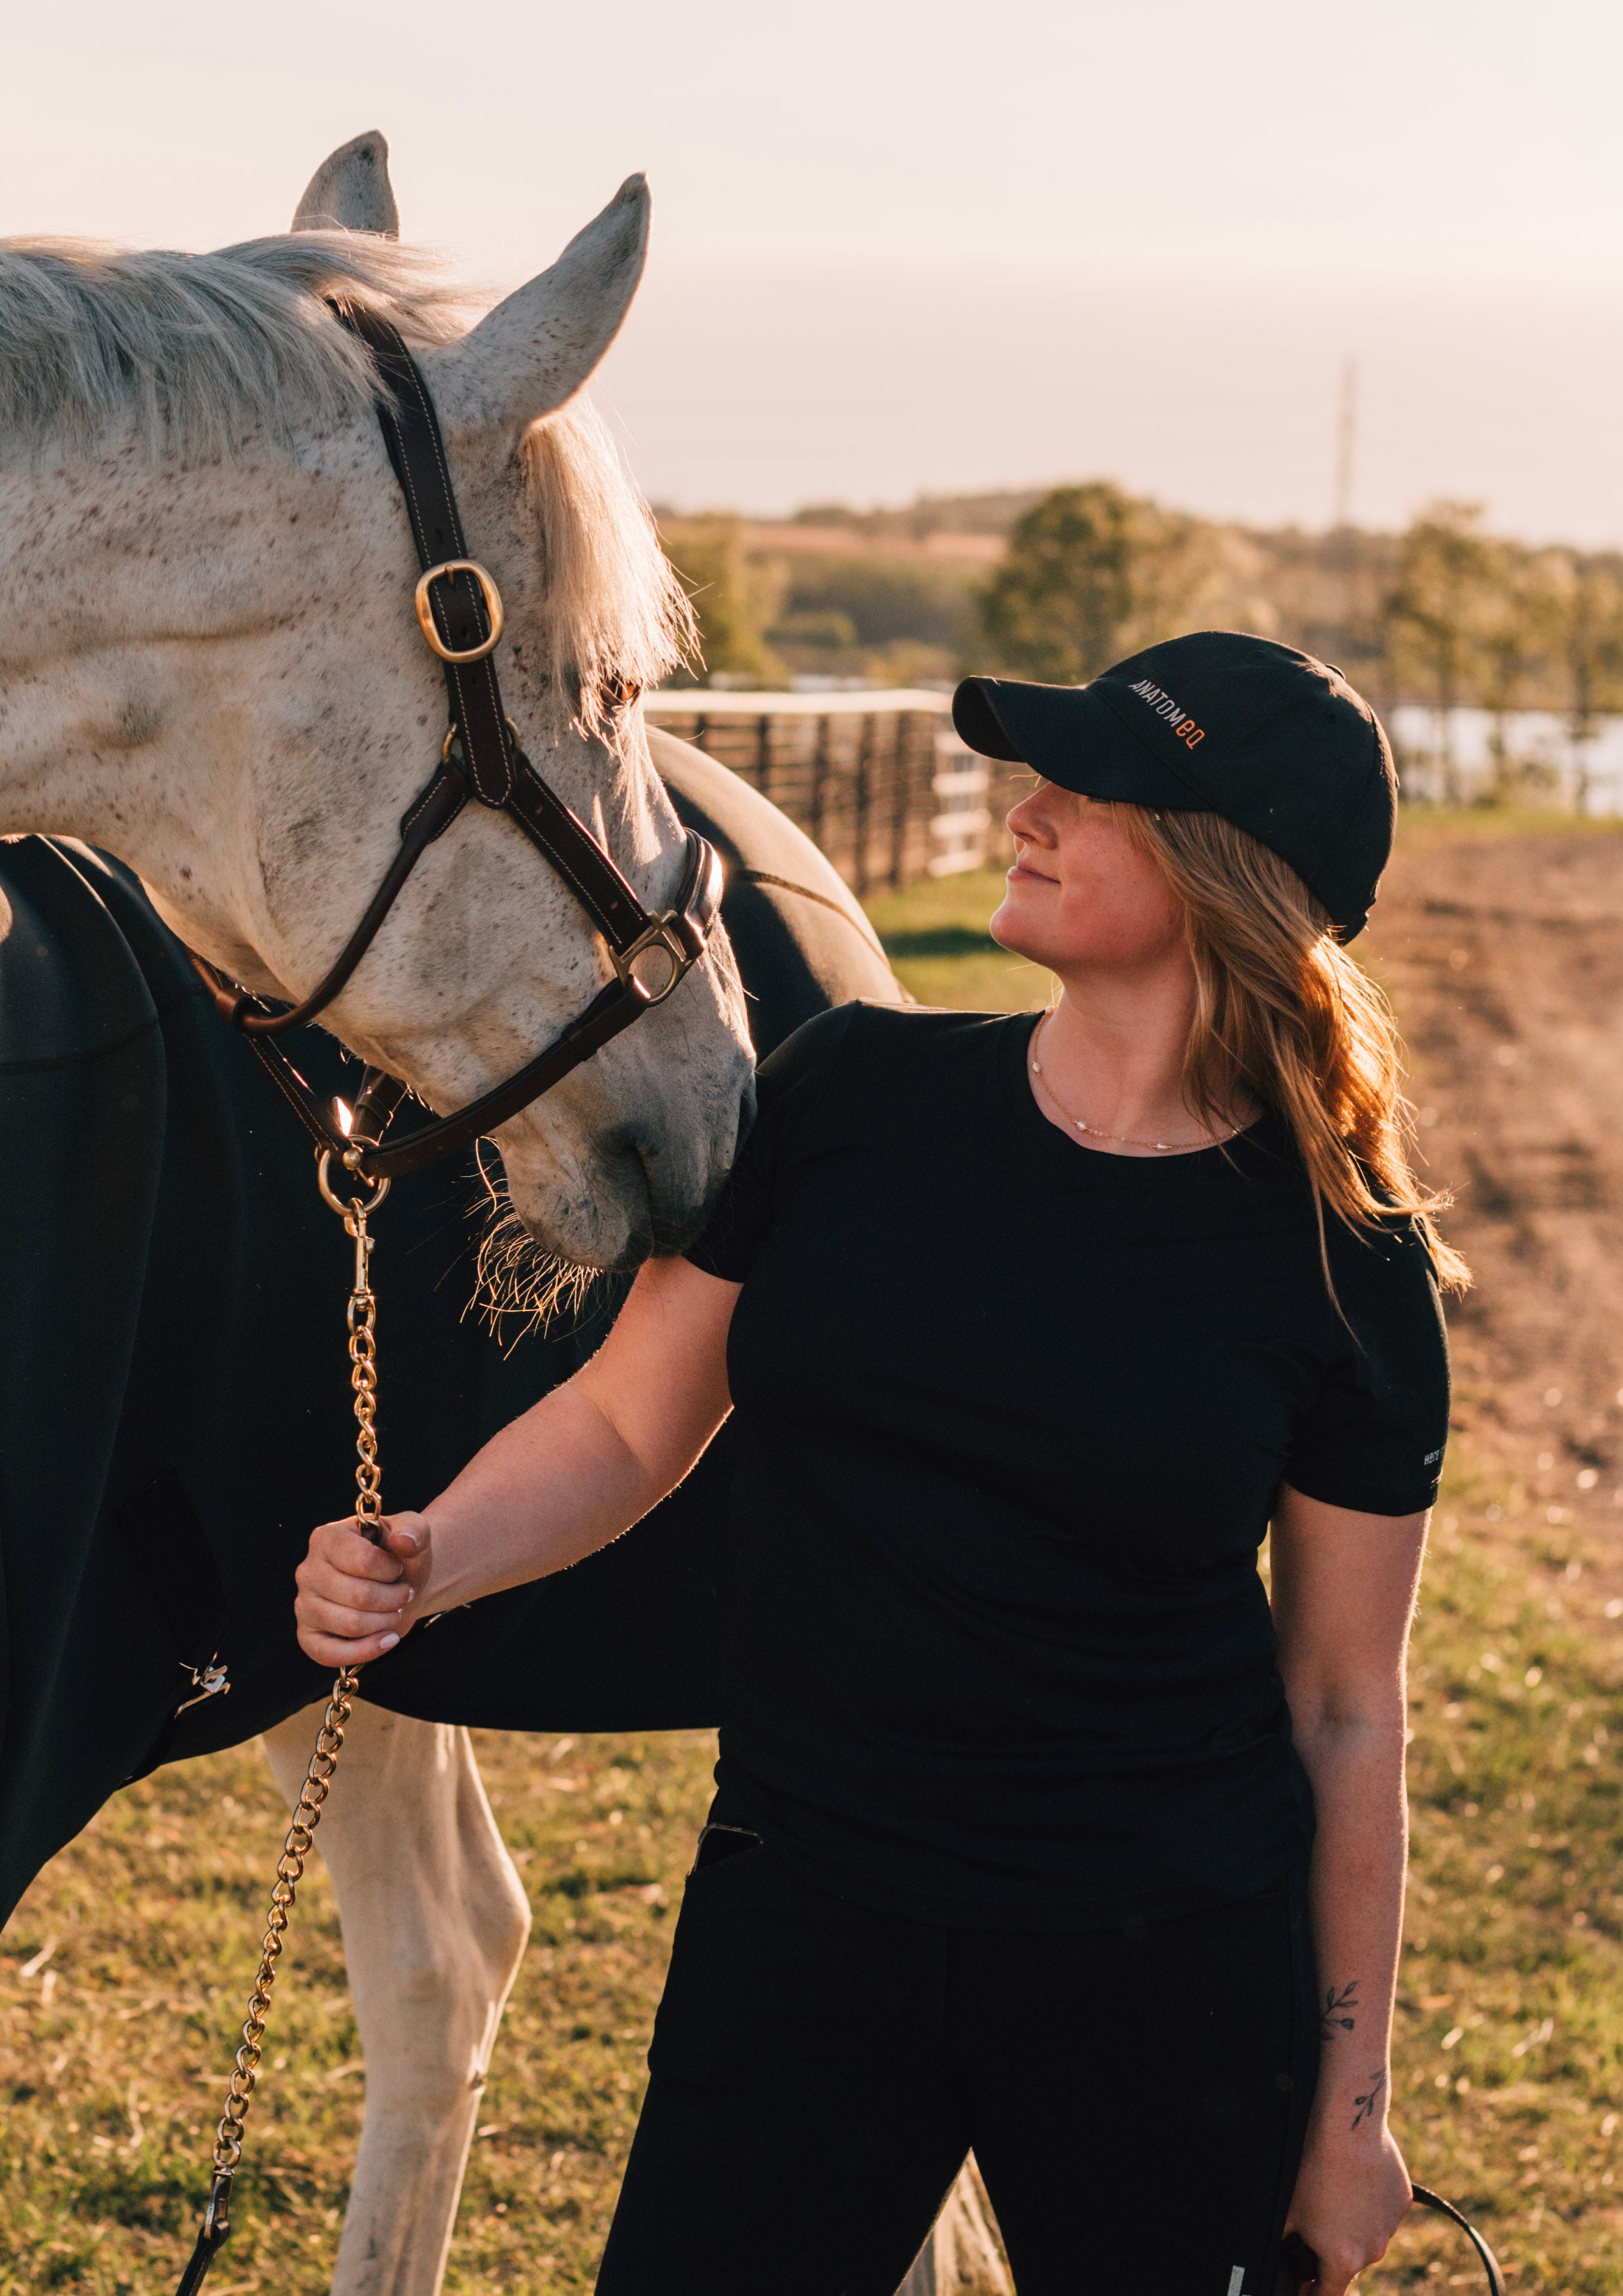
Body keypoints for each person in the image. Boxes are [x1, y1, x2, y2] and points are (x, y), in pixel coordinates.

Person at [295, 631, 1464, 2296]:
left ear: (1227, 868)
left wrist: (1347, 2116)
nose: (1028, 809)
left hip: (1159, 1971)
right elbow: (626, 1421)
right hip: (803, 1916)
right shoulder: (852, 1094)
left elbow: (1343, 1705)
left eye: (1089, 788)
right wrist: (430, 1555)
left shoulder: (1343, 1260)